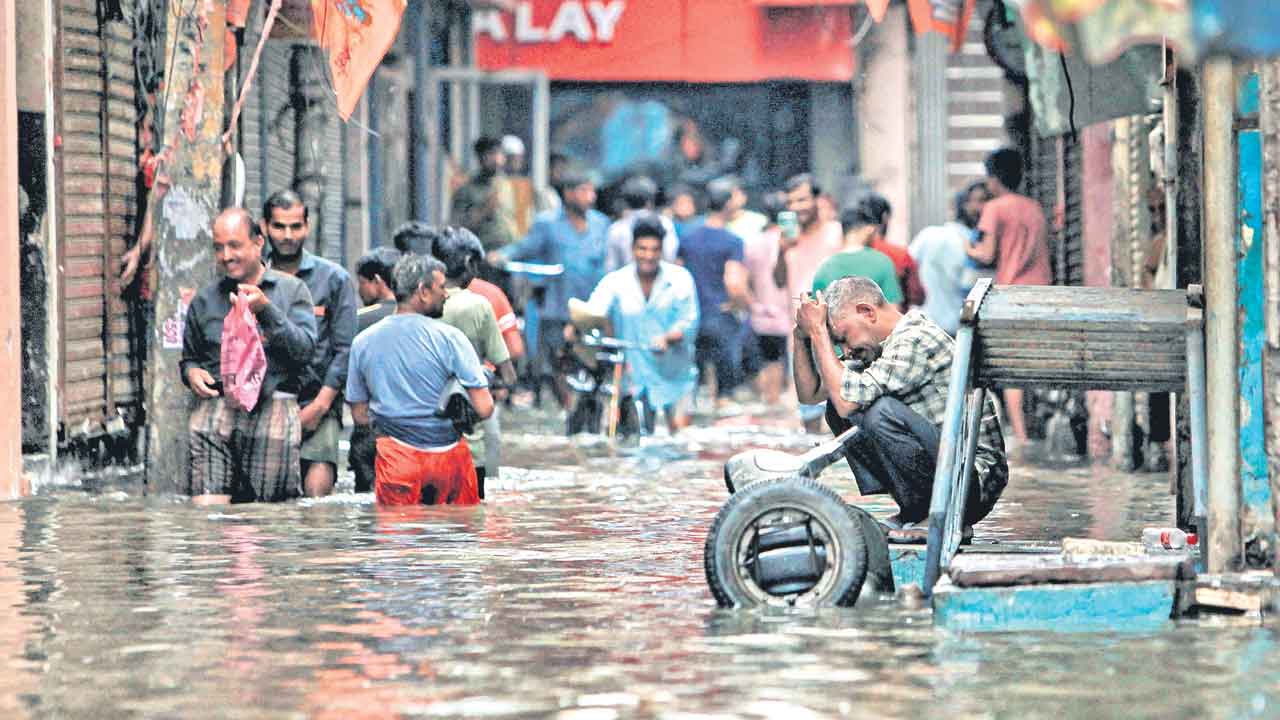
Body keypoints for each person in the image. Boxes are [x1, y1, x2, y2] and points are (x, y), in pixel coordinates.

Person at [793, 276, 1007, 538]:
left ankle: (944, 518)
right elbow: (811, 394)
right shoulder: (877, 349)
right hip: (950, 473)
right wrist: (801, 336)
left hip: (972, 484)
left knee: (878, 411)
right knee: (837, 407)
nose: (846, 351)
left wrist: (818, 331)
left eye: (844, 338)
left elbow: (847, 401)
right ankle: (915, 511)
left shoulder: (914, 338)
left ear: (867, 312)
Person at [182, 208, 317, 504]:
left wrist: (266, 310)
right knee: (208, 513)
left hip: (273, 410)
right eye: (218, 248)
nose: (226, 256)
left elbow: (305, 351)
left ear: (258, 243)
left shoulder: (292, 291)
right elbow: (189, 357)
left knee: (268, 517)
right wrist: (191, 372)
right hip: (216, 412)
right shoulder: (204, 300)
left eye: (234, 246)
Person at [345, 254, 494, 506]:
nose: (446, 294)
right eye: (441, 287)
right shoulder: (451, 339)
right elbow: (485, 408)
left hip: (397, 460)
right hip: (449, 461)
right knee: (458, 528)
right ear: (423, 291)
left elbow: (360, 416)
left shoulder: (363, 342)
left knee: (400, 530)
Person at [261, 190, 358, 498]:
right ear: (264, 227)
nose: (288, 235)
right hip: (265, 403)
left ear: (307, 226)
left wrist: (320, 406)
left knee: (317, 500)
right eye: (279, 226)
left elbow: (345, 350)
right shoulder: (253, 278)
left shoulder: (334, 279)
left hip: (317, 401)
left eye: (295, 226)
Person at [489, 169, 609, 408]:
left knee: (593, 359)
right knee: (558, 359)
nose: (590, 196)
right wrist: (501, 255)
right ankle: (567, 406)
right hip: (557, 304)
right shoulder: (547, 223)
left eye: (591, 191)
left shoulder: (601, 224)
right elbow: (525, 247)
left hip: (590, 306)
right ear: (569, 193)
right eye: (583, 191)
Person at [581, 215, 699, 433]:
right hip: (632, 378)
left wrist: (668, 338)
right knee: (628, 437)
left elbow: (689, 321)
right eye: (642, 249)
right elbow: (595, 309)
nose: (648, 256)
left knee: (679, 439)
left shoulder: (680, 280)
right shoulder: (615, 282)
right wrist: (580, 324)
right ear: (633, 249)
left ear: (661, 250)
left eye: (655, 250)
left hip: (675, 377)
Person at [967, 147, 1052, 442]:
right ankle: (1037, 427)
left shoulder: (995, 208)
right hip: (1044, 292)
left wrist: (968, 248)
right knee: (1037, 361)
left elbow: (986, 254)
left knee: (1012, 365)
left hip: (1012, 295)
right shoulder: (1035, 207)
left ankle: (1022, 435)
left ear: (993, 179)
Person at [429, 225, 518, 497]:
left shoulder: (420, 302)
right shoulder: (478, 305)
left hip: (420, 440)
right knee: (470, 514)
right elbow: (508, 371)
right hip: (467, 442)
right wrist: (493, 381)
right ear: (469, 263)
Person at [773, 173, 843, 433]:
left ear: (818, 200)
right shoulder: (785, 238)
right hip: (801, 331)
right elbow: (779, 281)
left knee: (841, 406)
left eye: (802, 200)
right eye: (790, 202)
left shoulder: (836, 233)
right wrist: (781, 250)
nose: (796, 207)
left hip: (836, 330)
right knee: (808, 411)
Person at [678, 177, 752, 407]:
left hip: (691, 318)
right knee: (724, 396)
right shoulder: (732, 241)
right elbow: (734, 283)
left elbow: (677, 274)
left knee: (694, 389)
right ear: (728, 204)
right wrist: (744, 305)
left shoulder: (687, 237)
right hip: (720, 316)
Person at [349, 246, 402, 494]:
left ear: (377, 282)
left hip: (371, 429)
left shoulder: (358, 320)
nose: (360, 291)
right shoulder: (424, 319)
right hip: (414, 433)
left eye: (361, 283)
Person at [910, 181, 990, 335]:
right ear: (964, 205)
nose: (984, 207)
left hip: (920, 323)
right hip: (955, 329)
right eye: (980, 200)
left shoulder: (928, 234)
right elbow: (972, 293)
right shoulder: (974, 248)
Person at [741, 195, 792, 405]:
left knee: (769, 361)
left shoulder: (753, 243)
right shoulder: (790, 241)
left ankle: (769, 403)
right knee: (785, 366)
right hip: (788, 313)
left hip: (762, 314)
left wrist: (753, 305)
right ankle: (777, 404)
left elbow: (745, 280)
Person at [811, 194, 903, 304]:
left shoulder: (824, 267)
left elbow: (815, 309)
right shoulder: (883, 262)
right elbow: (893, 307)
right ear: (869, 229)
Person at [859, 194, 925, 310]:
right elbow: (918, 296)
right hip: (895, 319)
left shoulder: (844, 256)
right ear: (885, 217)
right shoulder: (900, 254)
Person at [605, 175, 680, 271]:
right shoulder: (665, 223)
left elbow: (611, 266)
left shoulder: (616, 228)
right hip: (658, 276)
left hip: (627, 278)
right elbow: (670, 256)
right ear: (650, 201)